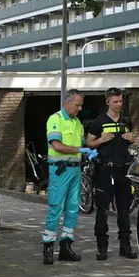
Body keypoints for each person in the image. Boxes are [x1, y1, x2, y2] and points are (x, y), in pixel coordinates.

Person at [42, 90, 97, 265]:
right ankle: (48, 247)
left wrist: (93, 146)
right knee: (56, 208)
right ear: (67, 103)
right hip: (60, 170)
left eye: (81, 105)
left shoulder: (77, 123)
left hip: (75, 170)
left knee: (73, 209)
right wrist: (81, 150)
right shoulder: (55, 119)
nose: (80, 108)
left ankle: (66, 246)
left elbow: (81, 142)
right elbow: (57, 146)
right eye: (77, 105)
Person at [86, 87, 138, 260]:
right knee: (102, 209)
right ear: (107, 101)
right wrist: (101, 140)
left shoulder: (125, 121)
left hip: (123, 170)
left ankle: (125, 245)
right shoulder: (98, 122)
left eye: (121, 101)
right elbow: (89, 143)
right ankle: (102, 247)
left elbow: (132, 142)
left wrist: (132, 140)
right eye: (115, 101)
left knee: (124, 209)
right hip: (104, 170)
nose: (119, 104)